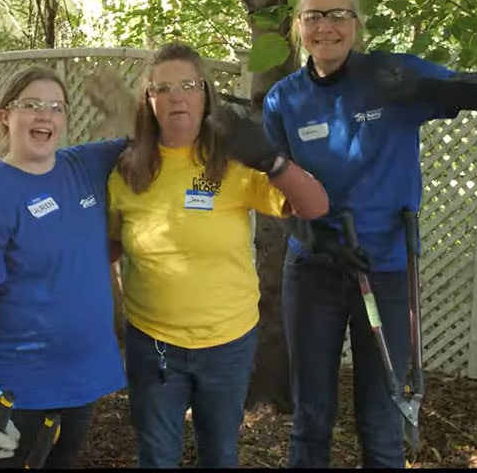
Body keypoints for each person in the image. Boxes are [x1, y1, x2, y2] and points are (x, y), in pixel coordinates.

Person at [261, 0, 477, 469]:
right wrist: (322, 242)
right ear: (297, 26)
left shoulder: (389, 74)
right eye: (314, 16)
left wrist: (423, 86)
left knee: (382, 416)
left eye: (338, 15)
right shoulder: (283, 100)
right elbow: (275, 194)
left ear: (357, 24)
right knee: (311, 418)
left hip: (388, 270)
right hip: (313, 271)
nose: (326, 26)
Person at [106, 42, 330, 468]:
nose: (176, 96)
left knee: (220, 454)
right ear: (148, 100)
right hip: (153, 344)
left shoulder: (234, 162)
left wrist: (272, 161)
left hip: (227, 343)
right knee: (156, 455)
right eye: (163, 88)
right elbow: (111, 246)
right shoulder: (127, 170)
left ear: (205, 93)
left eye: (188, 85)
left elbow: (316, 206)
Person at [0, 66, 130, 469]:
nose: (45, 115)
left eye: (56, 107)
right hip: (22, 390)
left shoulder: (85, 166)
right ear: (4, 116)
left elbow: (151, 138)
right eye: (31, 105)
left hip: (83, 379)